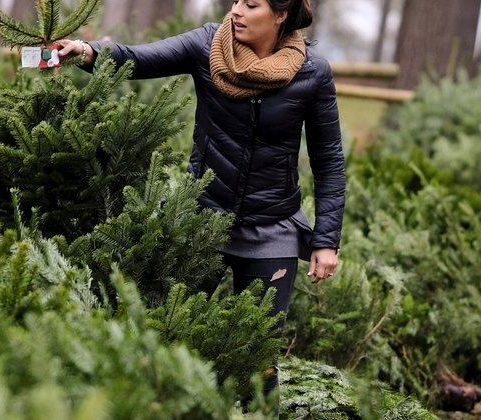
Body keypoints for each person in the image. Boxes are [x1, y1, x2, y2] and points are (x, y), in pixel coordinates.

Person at [57, 0, 345, 405]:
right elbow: (140, 59)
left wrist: (326, 239)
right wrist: (87, 52)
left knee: (258, 358)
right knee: (174, 339)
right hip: (202, 218)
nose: (237, 10)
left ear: (280, 14)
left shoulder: (312, 73)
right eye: (236, 1)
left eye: (251, 4)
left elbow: (329, 160)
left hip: (272, 228)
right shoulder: (208, 45)